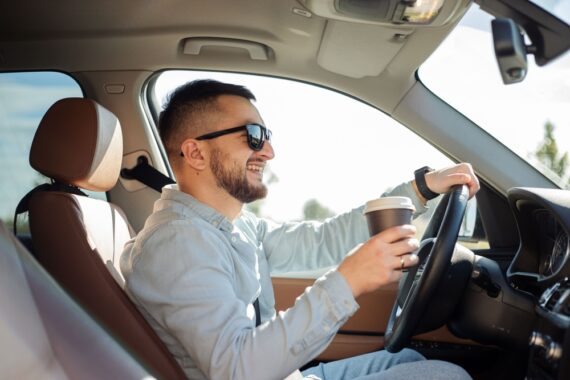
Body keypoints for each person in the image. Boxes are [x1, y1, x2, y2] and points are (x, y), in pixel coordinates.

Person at [120, 79, 479, 380]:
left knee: (412, 363)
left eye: (267, 134)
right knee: (447, 377)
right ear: (196, 154)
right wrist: (348, 280)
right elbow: (238, 369)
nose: (270, 151)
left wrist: (421, 188)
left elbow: (322, 239)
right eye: (253, 135)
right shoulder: (177, 243)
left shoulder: (233, 226)